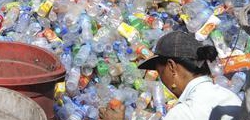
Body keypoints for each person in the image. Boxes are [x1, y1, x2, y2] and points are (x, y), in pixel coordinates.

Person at [100, 31, 241, 120]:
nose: (161, 80)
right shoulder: (230, 97)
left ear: (172, 67)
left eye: (160, 72)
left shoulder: (184, 114)